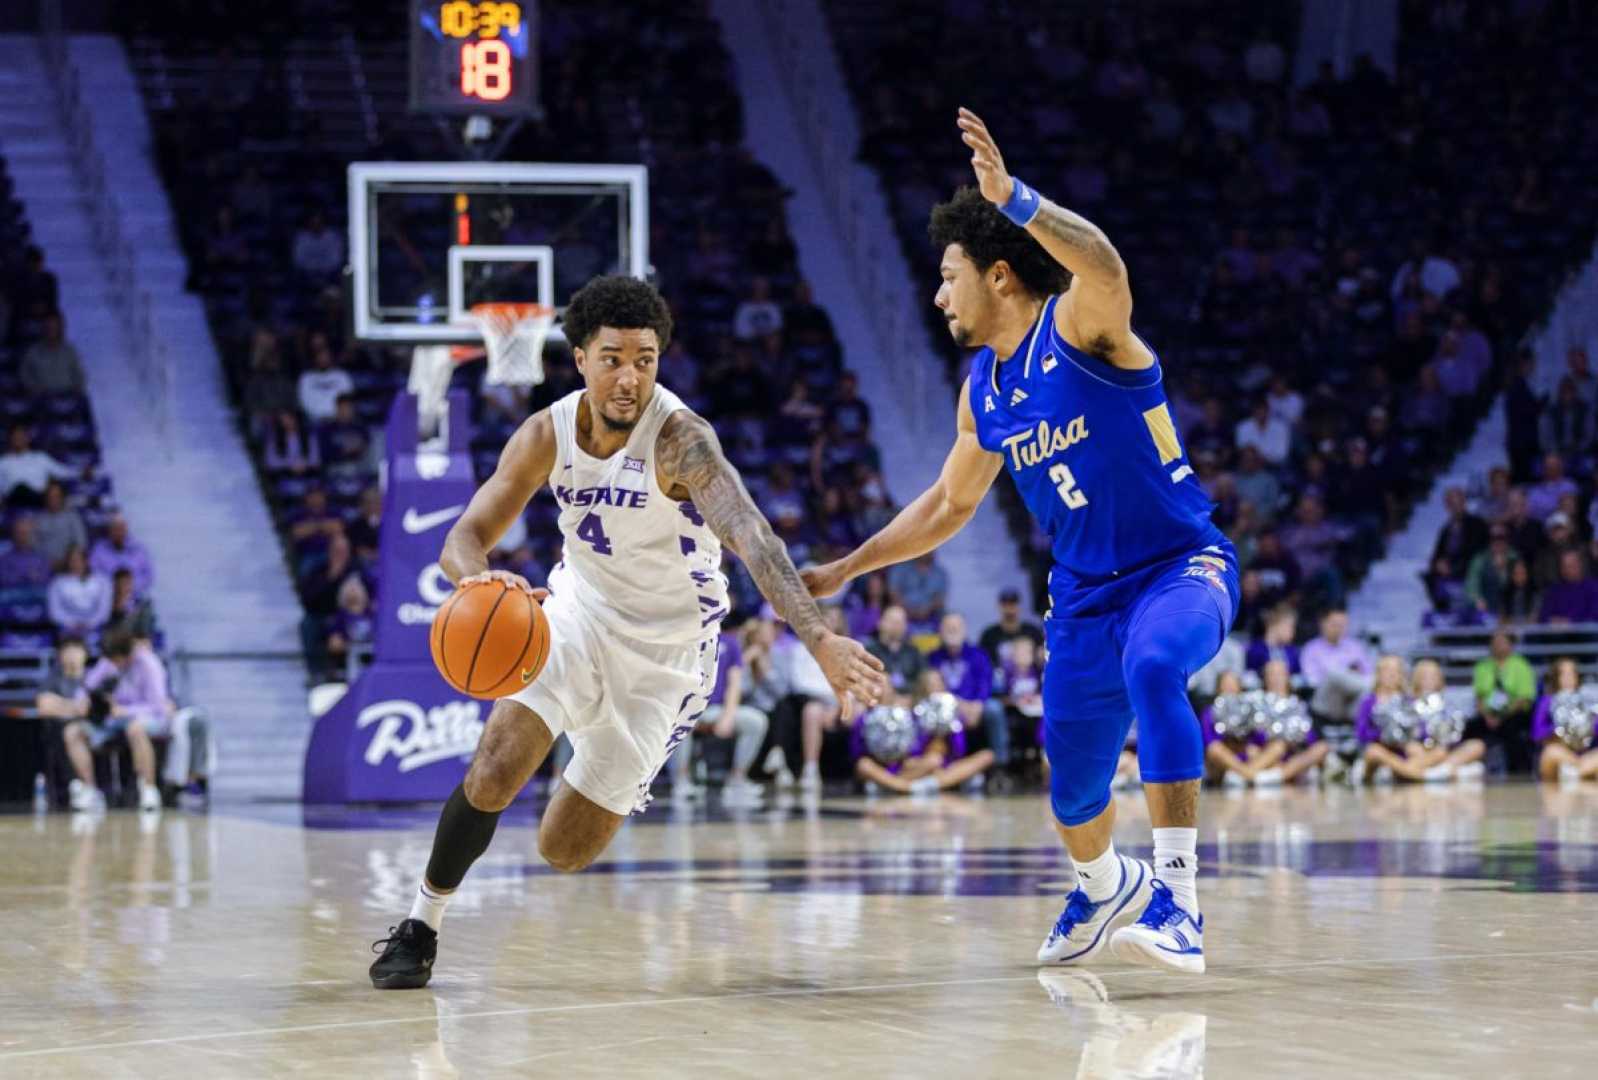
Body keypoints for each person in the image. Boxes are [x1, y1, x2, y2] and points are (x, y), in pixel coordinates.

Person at [803, 112, 1235, 974]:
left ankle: (1180, 900)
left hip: (1179, 567)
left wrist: (1018, 199)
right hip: (1081, 600)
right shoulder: (984, 392)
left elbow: (1106, 263)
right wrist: (851, 566)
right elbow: (948, 506)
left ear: (999, 275)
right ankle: (1106, 883)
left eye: (949, 276)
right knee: (1072, 790)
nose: (938, 295)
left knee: (1156, 667)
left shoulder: (1083, 328)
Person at [369, 276, 886, 989]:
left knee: (563, 849)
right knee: (493, 767)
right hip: (576, 617)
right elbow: (466, 536)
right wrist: (480, 582)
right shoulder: (545, 433)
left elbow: (755, 540)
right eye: (613, 358)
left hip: (669, 657)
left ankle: (598, 761)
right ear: (580, 357)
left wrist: (819, 638)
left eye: (645, 360)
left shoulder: (681, 440)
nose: (630, 377)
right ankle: (421, 924)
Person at [60, 627, 174, 812]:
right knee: (73, 732)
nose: (113, 664)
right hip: (113, 722)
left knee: (135, 729)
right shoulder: (109, 662)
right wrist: (82, 702)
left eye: (116, 661)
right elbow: (86, 687)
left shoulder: (149, 665)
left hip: (147, 719)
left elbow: (158, 707)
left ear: (127, 655)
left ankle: (149, 790)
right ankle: (90, 790)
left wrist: (125, 711)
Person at [668, 618, 769, 804]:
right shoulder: (684, 640)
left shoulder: (730, 643)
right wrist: (690, 715)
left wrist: (728, 717)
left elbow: (734, 684)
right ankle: (681, 781)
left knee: (756, 721)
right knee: (677, 722)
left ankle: (737, 780)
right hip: (687, 709)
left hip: (718, 710)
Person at [926, 612, 1009, 773]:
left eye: (956, 627)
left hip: (976, 704)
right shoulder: (933, 658)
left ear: (964, 630)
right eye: (948, 627)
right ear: (940, 631)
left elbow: (985, 683)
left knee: (994, 708)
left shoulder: (979, 655)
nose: (952, 630)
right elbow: (933, 688)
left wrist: (978, 704)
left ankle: (1001, 765)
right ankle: (945, 765)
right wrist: (958, 704)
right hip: (948, 705)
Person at [1469, 629, 1537, 773]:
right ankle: (1471, 766)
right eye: (1495, 642)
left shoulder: (1521, 665)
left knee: (1512, 729)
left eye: (1502, 642)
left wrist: (1502, 716)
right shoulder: (1482, 666)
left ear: (1510, 645)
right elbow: (1479, 697)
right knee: (1471, 728)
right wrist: (1487, 717)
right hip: (1488, 714)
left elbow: (1524, 698)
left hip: (1514, 713)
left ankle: (1518, 771)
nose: (1498, 645)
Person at [1300, 609, 1375, 722]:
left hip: (1352, 703)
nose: (1339, 629)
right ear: (1322, 623)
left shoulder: (1355, 646)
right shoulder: (1311, 649)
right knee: (1335, 674)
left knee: (1370, 688)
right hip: (1326, 703)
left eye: (1343, 625)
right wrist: (1346, 675)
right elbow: (1312, 681)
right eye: (1335, 624)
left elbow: (1369, 674)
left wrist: (1349, 679)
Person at [1532, 658, 1598, 783]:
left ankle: (1575, 772)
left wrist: (1587, 724)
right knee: (1551, 752)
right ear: (1556, 677)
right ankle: (1580, 771)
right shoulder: (1547, 701)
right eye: (1563, 674)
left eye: (1572, 673)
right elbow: (1537, 734)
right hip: (1561, 753)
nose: (1568, 677)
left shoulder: (1588, 699)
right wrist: (1561, 729)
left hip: (1585, 754)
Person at [0, 423, 80, 509]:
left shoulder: (40, 457)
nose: (18, 439)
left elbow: (62, 472)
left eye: (21, 435)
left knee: (54, 492)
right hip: (13, 505)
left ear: (27, 437)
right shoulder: (3, 462)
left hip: (39, 502)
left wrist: (81, 473)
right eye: (15, 436)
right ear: (10, 439)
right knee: (20, 489)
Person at [47, 543, 112, 642]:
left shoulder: (102, 581)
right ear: (67, 561)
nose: (75, 563)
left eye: (78, 559)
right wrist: (72, 624)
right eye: (72, 560)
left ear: (86, 561)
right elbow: (55, 612)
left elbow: (103, 611)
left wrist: (88, 624)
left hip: (95, 628)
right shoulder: (57, 583)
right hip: (66, 628)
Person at [865, 603, 926, 703]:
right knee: (883, 680)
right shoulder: (869, 651)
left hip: (911, 701)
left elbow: (923, 678)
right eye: (892, 621)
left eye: (901, 622)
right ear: (880, 623)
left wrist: (909, 698)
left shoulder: (914, 652)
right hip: (879, 701)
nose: (897, 625)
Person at [19, 311, 86, 397]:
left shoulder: (70, 351)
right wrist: (33, 388)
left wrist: (77, 388)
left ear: (60, 328)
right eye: (48, 327)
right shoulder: (33, 352)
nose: (51, 331)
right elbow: (24, 375)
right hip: (42, 398)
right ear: (43, 328)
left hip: (66, 396)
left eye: (54, 327)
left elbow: (80, 375)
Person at [89, 515, 155, 599]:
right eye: (115, 529)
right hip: (108, 599)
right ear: (110, 531)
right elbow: (93, 574)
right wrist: (115, 587)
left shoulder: (138, 549)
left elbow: (149, 575)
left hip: (135, 598)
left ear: (126, 530)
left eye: (122, 529)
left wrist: (130, 587)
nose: (119, 533)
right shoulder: (99, 550)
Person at [979, 586, 1045, 667]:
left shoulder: (1033, 633)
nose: (1009, 609)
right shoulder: (989, 636)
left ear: (1019, 606)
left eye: (1012, 604)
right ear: (998, 606)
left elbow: (1041, 659)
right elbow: (981, 663)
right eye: (1005, 605)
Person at [32, 480, 87, 569]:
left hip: (69, 566)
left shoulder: (73, 517)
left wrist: (67, 561)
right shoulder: (38, 519)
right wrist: (47, 561)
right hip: (43, 566)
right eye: (50, 497)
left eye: (56, 496)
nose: (53, 500)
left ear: (62, 498)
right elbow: (34, 545)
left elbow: (81, 543)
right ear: (45, 499)